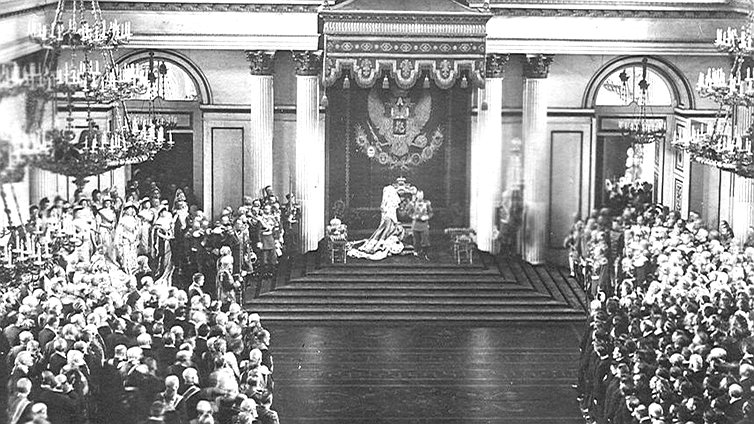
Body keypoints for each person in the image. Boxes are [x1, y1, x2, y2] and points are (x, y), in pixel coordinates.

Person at [347, 185, 404, 260]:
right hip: (387, 232)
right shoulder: (389, 211)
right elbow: (386, 230)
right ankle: (377, 246)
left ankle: (375, 244)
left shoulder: (390, 209)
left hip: (389, 228)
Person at [409, 190, 432, 260]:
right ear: (416, 196)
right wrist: (413, 216)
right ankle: (416, 255)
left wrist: (427, 217)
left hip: (424, 224)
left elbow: (431, 213)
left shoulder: (427, 203)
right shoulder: (412, 204)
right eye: (419, 195)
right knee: (416, 241)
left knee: (425, 240)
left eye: (421, 195)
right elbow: (409, 212)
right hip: (416, 224)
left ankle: (425, 254)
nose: (420, 197)